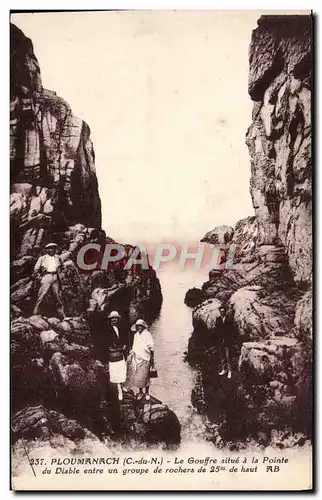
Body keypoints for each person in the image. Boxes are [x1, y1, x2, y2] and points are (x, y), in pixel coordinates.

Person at [124, 319, 154, 401]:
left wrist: (152, 359)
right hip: (137, 357)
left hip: (146, 358)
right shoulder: (136, 335)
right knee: (138, 376)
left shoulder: (147, 335)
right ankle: (140, 392)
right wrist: (132, 353)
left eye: (140, 326)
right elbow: (135, 346)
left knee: (146, 376)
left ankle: (147, 393)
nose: (139, 327)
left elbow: (151, 348)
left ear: (143, 327)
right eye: (137, 326)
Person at [33, 242, 65, 318]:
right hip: (46, 277)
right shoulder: (42, 258)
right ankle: (35, 313)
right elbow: (36, 269)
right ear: (46, 250)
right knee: (41, 295)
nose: (52, 250)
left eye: (53, 248)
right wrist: (39, 278)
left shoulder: (58, 258)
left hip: (55, 277)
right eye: (50, 248)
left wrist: (62, 275)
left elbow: (63, 267)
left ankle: (61, 314)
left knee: (57, 296)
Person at [105, 311, 129, 401]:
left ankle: (122, 386)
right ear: (110, 319)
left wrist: (125, 345)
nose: (114, 319)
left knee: (122, 369)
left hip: (121, 352)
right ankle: (119, 390)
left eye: (115, 318)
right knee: (115, 370)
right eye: (112, 318)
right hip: (113, 353)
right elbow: (106, 341)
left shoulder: (120, 328)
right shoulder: (107, 329)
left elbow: (125, 338)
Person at [215, 305, 234, 379]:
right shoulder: (218, 319)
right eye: (221, 311)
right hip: (220, 341)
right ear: (219, 312)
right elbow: (216, 330)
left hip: (227, 340)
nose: (222, 312)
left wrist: (231, 339)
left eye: (223, 311)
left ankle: (230, 371)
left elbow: (231, 330)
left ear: (225, 311)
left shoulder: (229, 319)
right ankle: (224, 369)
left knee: (228, 356)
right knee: (222, 356)